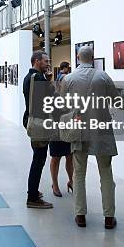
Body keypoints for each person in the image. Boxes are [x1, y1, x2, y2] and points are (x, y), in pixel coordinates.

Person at [60, 46, 117, 229]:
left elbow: (62, 105)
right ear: (92, 58)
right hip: (102, 129)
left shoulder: (68, 78)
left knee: (79, 174)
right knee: (106, 173)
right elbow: (116, 100)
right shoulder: (103, 76)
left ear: (78, 57)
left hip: (79, 129)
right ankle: (109, 217)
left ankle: (80, 215)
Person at [22, 50, 56, 209]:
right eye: (45, 61)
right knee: (38, 160)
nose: (48, 64)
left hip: (34, 121)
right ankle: (32, 197)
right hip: (39, 124)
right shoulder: (37, 78)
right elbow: (46, 101)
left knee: (38, 158)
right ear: (36, 61)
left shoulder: (30, 77)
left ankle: (33, 192)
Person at [50, 61, 73, 197]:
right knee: (56, 157)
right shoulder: (53, 96)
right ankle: (55, 184)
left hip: (69, 129)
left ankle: (71, 180)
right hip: (56, 130)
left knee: (70, 156)